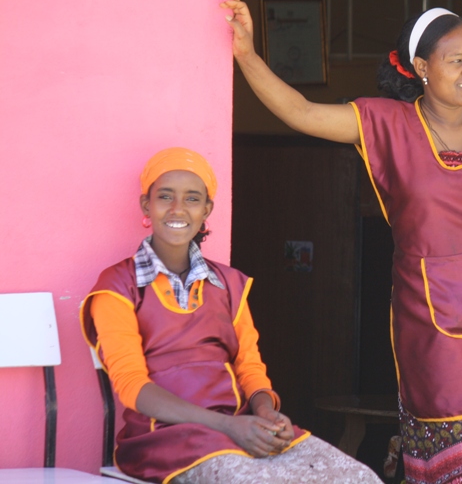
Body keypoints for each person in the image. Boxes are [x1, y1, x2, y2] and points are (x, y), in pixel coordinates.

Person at [221, 0, 462, 484]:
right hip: (430, 314)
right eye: (456, 59)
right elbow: (300, 112)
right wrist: (247, 54)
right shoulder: (385, 123)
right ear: (422, 66)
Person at [80, 148, 384, 484]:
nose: (177, 209)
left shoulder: (229, 284)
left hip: (240, 427)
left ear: (206, 210)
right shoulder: (117, 286)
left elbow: (249, 367)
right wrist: (229, 425)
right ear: (146, 206)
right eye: (165, 196)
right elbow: (132, 386)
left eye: (192, 199)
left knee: (358, 477)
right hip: (163, 439)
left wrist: (266, 413)